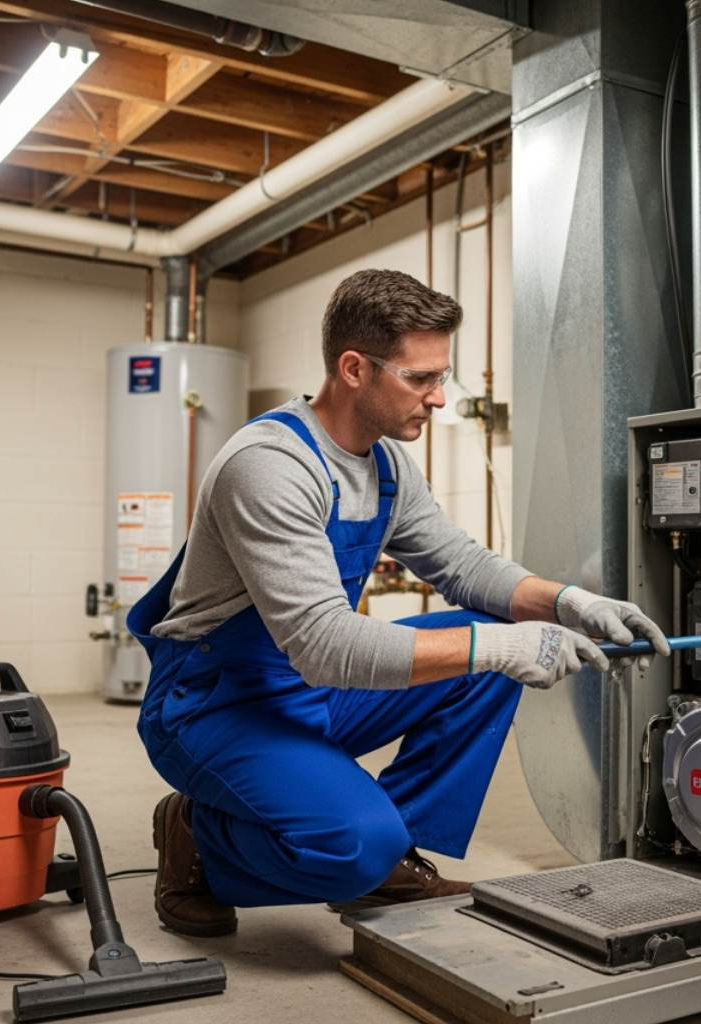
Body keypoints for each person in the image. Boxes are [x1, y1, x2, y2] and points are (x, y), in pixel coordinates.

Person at [129, 268, 669, 936]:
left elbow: (463, 566)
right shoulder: (270, 465)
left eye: (441, 376)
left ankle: (391, 855)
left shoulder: (386, 466)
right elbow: (327, 645)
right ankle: (197, 834)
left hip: (308, 688)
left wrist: (567, 601)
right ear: (354, 368)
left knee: (493, 627)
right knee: (353, 841)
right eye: (421, 378)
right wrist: (503, 647)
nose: (439, 397)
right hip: (215, 702)